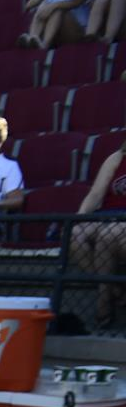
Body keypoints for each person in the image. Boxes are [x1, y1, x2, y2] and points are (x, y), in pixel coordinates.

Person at [72, 136, 126, 327]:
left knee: (107, 235)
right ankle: (117, 292)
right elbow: (96, 194)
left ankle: (103, 304)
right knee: (76, 235)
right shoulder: (117, 158)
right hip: (108, 215)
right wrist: (80, 216)